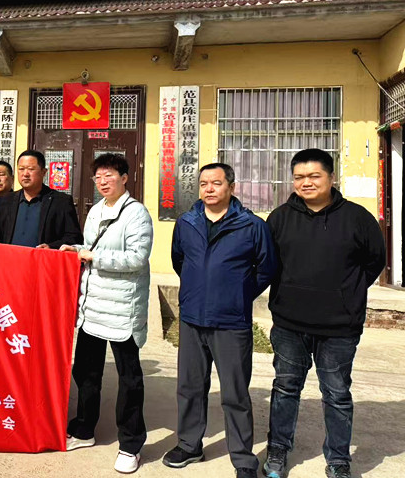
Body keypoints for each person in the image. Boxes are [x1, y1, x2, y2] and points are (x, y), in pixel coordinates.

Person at [262, 149, 386, 478]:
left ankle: (339, 460)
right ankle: (278, 449)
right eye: (299, 177)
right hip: (289, 324)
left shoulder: (358, 218)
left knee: (337, 394)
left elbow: (374, 261)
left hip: (339, 327)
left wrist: (346, 294)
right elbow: (267, 263)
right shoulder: (279, 218)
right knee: (285, 388)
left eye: (314, 176)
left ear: (331, 177)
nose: (306, 182)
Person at [164, 163, 276, 478]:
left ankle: (243, 458)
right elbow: (179, 260)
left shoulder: (251, 225)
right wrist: (196, 292)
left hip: (231, 322)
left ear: (231, 187)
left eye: (216, 183)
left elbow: (266, 268)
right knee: (189, 387)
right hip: (192, 319)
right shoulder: (186, 223)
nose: (209, 189)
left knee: (234, 393)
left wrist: (238, 294)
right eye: (203, 183)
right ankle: (189, 445)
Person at [61, 154, 153, 474]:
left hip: (122, 309)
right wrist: (75, 252)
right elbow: (90, 251)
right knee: (86, 373)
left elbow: (137, 258)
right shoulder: (95, 210)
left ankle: (131, 444)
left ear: (124, 178)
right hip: (93, 308)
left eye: (109, 175)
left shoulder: (136, 213)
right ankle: (84, 429)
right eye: (98, 177)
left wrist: (93, 257)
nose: (103, 181)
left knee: (129, 380)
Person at [0, 149, 83, 249]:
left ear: (44, 172)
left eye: (31, 169)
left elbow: (74, 237)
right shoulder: (5, 201)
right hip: (11, 257)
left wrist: (50, 247)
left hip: (43, 257)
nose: (25, 174)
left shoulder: (61, 201)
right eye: (21, 169)